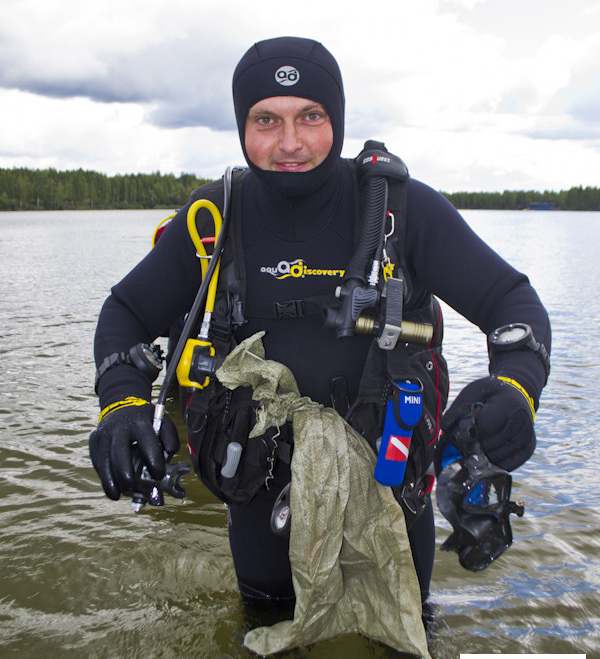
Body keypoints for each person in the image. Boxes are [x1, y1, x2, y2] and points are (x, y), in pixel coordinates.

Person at [90, 36, 551, 607]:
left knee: (406, 658)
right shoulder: (215, 218)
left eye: (310, 116)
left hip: (392, 474)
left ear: (337, 119)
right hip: (260, 481)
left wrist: (515, 385)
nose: (290, 143)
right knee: (266, 648)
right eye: (266, 119)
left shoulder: (400, 212)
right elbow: (126, 312)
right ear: (241, 125)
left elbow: (512, 301)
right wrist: (121, 403)